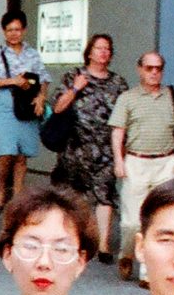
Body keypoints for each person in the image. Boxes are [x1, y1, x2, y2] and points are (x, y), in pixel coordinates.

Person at [109, 52, 174, 282]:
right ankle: (127, 253)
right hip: (136, 162)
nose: (154, 73)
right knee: (131, 221)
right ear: (140, 69)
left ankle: (147, 273)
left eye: (159, 68)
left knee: (159, 219)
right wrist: (118, 160)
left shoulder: (173, 96)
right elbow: (118, 131)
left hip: (165, 162)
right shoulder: (128, 98)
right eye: (149, 68)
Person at [47, 33, 127, 262]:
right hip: (76, 145)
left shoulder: (118, 83)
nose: (103, 52)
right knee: (73, 195)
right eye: (99, 48)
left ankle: (102, 244)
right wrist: (75, 88)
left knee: (105, 194)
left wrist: (123, 149)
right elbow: (58, 107)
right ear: (89, 52)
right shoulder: (74, 75)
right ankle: (74, 236)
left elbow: (124, 116)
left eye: (107, 49)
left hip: (106, 147)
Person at [0, 11, 45, 209]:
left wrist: (41, 97)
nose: (14, 34)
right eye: (9, 30)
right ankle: (0, 188)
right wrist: (13, 81)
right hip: (2, 103)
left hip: (26, 103)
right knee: (5, 151)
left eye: (17, 29)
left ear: (24, 30)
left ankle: (18, 196)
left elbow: (43, 79)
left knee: (22, 154)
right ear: (4, 32)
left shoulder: (32, 53)